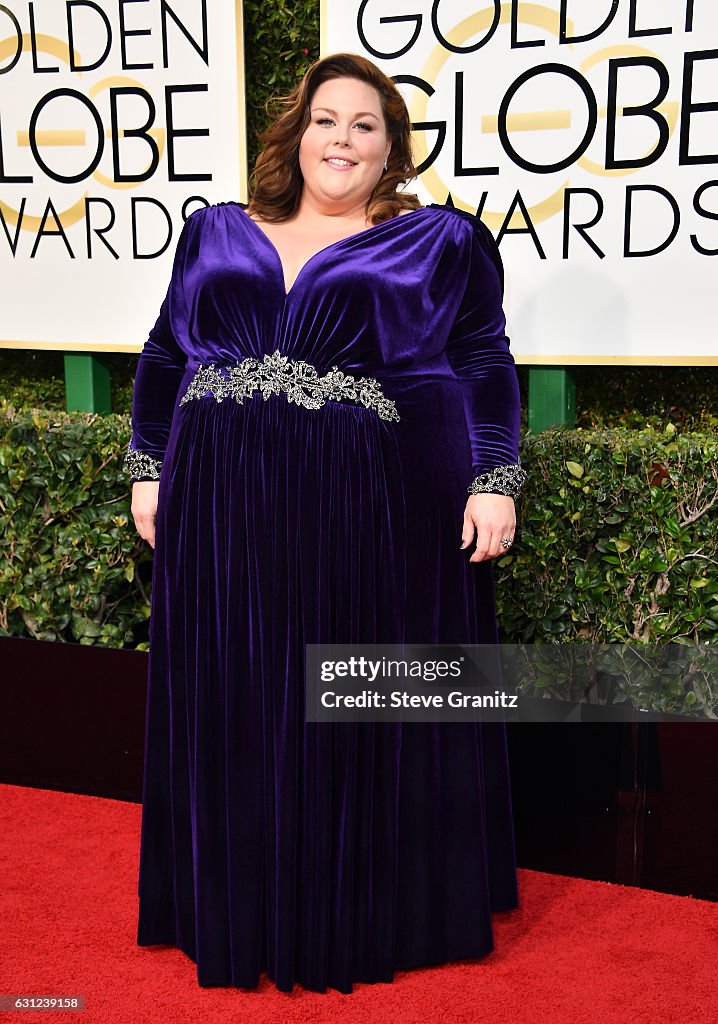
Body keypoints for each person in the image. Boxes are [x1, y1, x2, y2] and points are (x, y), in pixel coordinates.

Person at [126, 52, 526, 995]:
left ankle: (348, 907)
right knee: (236, 685)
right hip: (217, 500)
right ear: (294, 133)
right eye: (324, 119)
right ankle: (237, 901)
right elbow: (161, 349)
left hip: (358, 502)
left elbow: (482, 357)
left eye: (363, 125)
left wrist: (494, 475)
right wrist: (149, 467)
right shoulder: (217, 230)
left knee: (340, 691)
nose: (340, 139)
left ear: (391, 148)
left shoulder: (436, 242)